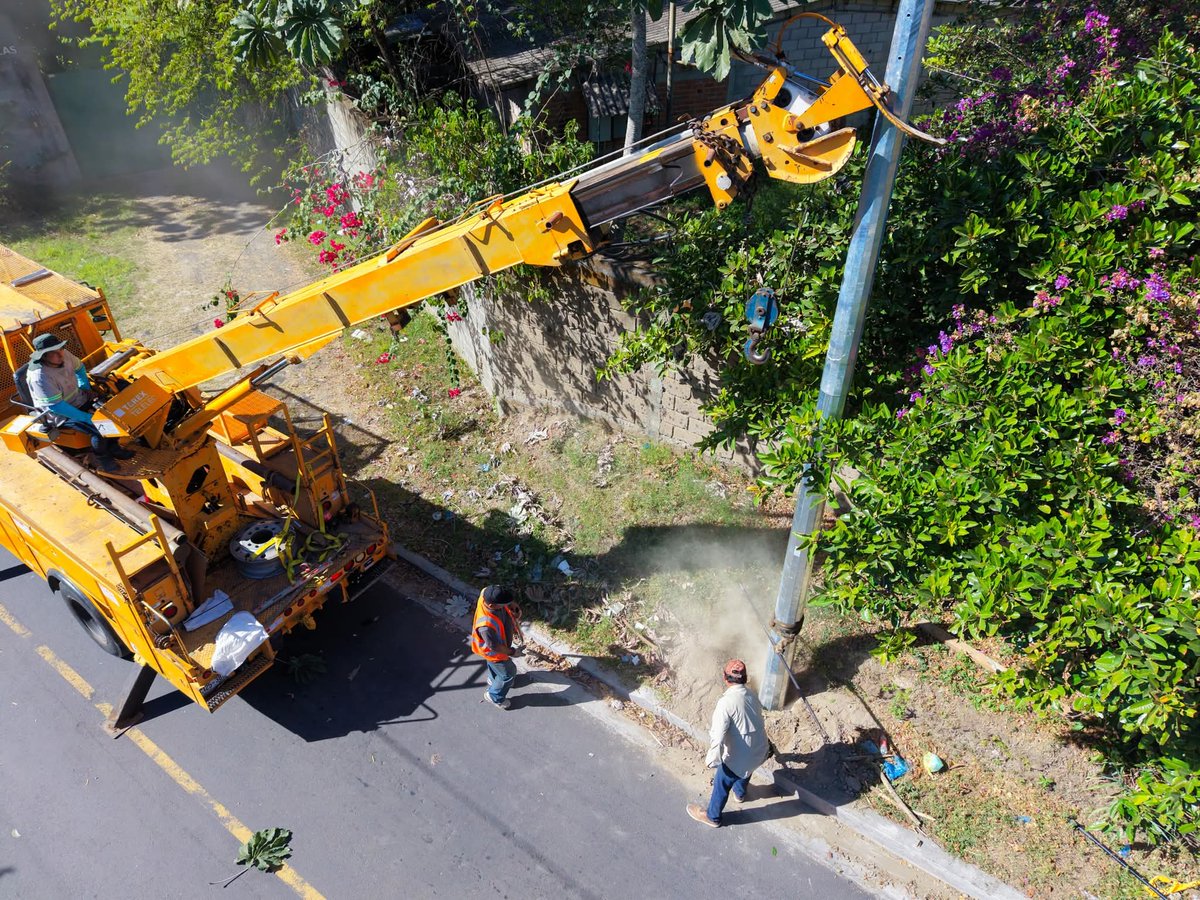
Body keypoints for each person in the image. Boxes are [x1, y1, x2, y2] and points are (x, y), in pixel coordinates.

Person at [25, 334, 133, 473]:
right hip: (58, 413)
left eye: (61, 348)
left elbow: (79, 368)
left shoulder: (64, 354)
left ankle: (114, 447)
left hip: (78, 398)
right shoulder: (39, 376)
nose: (60, 354)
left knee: (112, 413)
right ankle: (103, 458)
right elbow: (56, 406)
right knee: (99, 428)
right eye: (53, 352)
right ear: (44, 356)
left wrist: (85, 388)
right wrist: (86, 417)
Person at [687, 658, 770, 828]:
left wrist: (712, 759)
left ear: (725, 678)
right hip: (761, 750)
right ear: (745, 679)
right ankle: (740, 794)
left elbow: (717, 735)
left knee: (722, 781)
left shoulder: (726, 703)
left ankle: (712, 817)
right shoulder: (752, 695)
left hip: (742, 758)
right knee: (745, 770)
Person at [470, 585, 523, 710]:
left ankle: (494, 679)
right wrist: (512, 652)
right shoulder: (486, 626)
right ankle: (495, 696)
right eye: (503, 604)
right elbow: (494, 646)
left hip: (495, 648)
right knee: (509, 673)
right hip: (495, 653)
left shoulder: (486, 593)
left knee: (495, 668)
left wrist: (511, 604)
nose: (506, 605)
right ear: (492, 605)